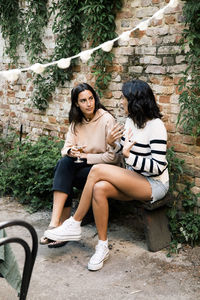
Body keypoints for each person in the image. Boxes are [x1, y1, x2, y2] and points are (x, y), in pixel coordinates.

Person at [44, 79, 169, 270]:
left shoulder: (156, 126)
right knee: (99, 188)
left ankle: (74, 223)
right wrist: (114, 144)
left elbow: (158, 167)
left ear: (134, 100)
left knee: (97, 170)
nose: (121, 101)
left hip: (153, 184)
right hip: (132, 177)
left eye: (123, 97)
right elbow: (123, 149)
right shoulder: (130, 122)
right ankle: (102, 246)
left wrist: (128, 156)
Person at [40, 82, 121, 247]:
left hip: (105, 171)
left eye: (91, 98)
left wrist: (85, 157)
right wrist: (71, 152)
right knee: (64, 164)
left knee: (63, 170)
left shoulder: (106, 119)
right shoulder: (76, 121)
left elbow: (114, 158)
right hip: (84, 168)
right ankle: (56, 224)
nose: (89, 103)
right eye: (83, 100)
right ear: (77, 103)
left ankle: (62, 228)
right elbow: (66, 148)